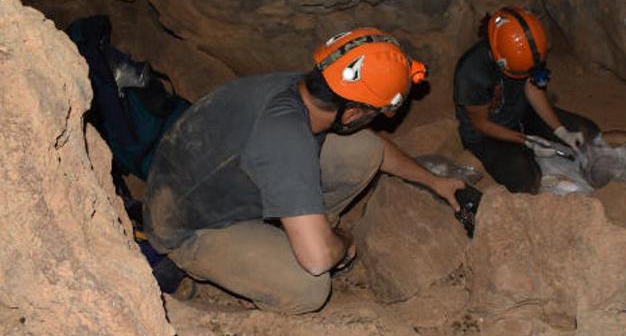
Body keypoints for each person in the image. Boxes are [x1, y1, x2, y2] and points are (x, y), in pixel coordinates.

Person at [143, 28, 464, 314]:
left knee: (364, 150)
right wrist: (343, 243)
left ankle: (302, 226)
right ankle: (281, 242)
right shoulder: (287, 139)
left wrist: (433, 180)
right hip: (188, 226)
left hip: (212, 177)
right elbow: (317, 259)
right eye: (374, 114)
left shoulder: (300, 92)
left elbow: (378, 152)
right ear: (352, 113)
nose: (375, 121)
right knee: (309, 286)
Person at [453, 7, 600, 194]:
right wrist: (526, 141)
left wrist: (561, 132)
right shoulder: (473, 70)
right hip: (486, 135)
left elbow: (533, 88)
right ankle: (534, 163)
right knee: (524, 182)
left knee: (587, 133)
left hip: (521, 113)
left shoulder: (531, 51)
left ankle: (543, 156)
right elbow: (481, 123)